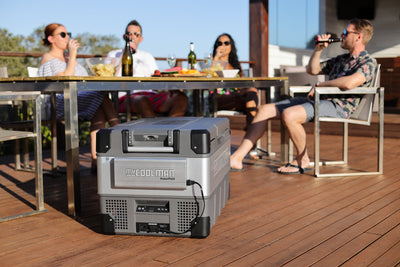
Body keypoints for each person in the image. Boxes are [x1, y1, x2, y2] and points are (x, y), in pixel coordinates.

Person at [230, 18, 377, 174]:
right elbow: (312, 70)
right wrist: (319, 49)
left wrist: (321, 85)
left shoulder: (368, 62)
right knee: (264, 110)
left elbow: (350, 83)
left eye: (346, 32)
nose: (342, 35)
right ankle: (237, 158)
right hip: (319, 100)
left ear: (358, 36)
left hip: (339, 107)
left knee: (290, 115)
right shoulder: (341, 59)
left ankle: (303, 159)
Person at [38, 23, 120, 172]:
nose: (67, 37)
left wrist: (72, 59)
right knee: (101, 96)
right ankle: (120, 132)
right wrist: (73, 55)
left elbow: (86, 81)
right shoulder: (48, 58)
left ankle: (96, 160)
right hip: (58, 103)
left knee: (99, 109)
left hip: (74, 99)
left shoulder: (67, 59)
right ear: (51, 39)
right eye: (63, 34)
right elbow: (65, 81)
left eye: (68, 34)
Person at [108, 20, 188, 117]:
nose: (132, 37)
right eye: (129, 34)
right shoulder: (114, 55)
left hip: (150, 95)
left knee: (181, 97)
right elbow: (108, 77)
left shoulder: (147, 56)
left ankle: (170, 130)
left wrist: (169, 88)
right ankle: (154, 132)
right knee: (142, 100)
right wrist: (124, 53)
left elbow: (157, 77)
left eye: (136, 34)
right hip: (125, 97)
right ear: (124, 36)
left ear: (141, 39)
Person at [210, 33, 260, 159]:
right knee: (252, 103)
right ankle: (251, 144)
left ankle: (250, 130)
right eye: (219, 43)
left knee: (252, 94)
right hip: (219, 98)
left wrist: (244, 90)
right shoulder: (214, 62)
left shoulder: (235, 64)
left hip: (236, 98)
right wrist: (216, 57)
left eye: (226, 43)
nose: (223, 46)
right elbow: (208, 78)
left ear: (231, 46)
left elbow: (242, 83)